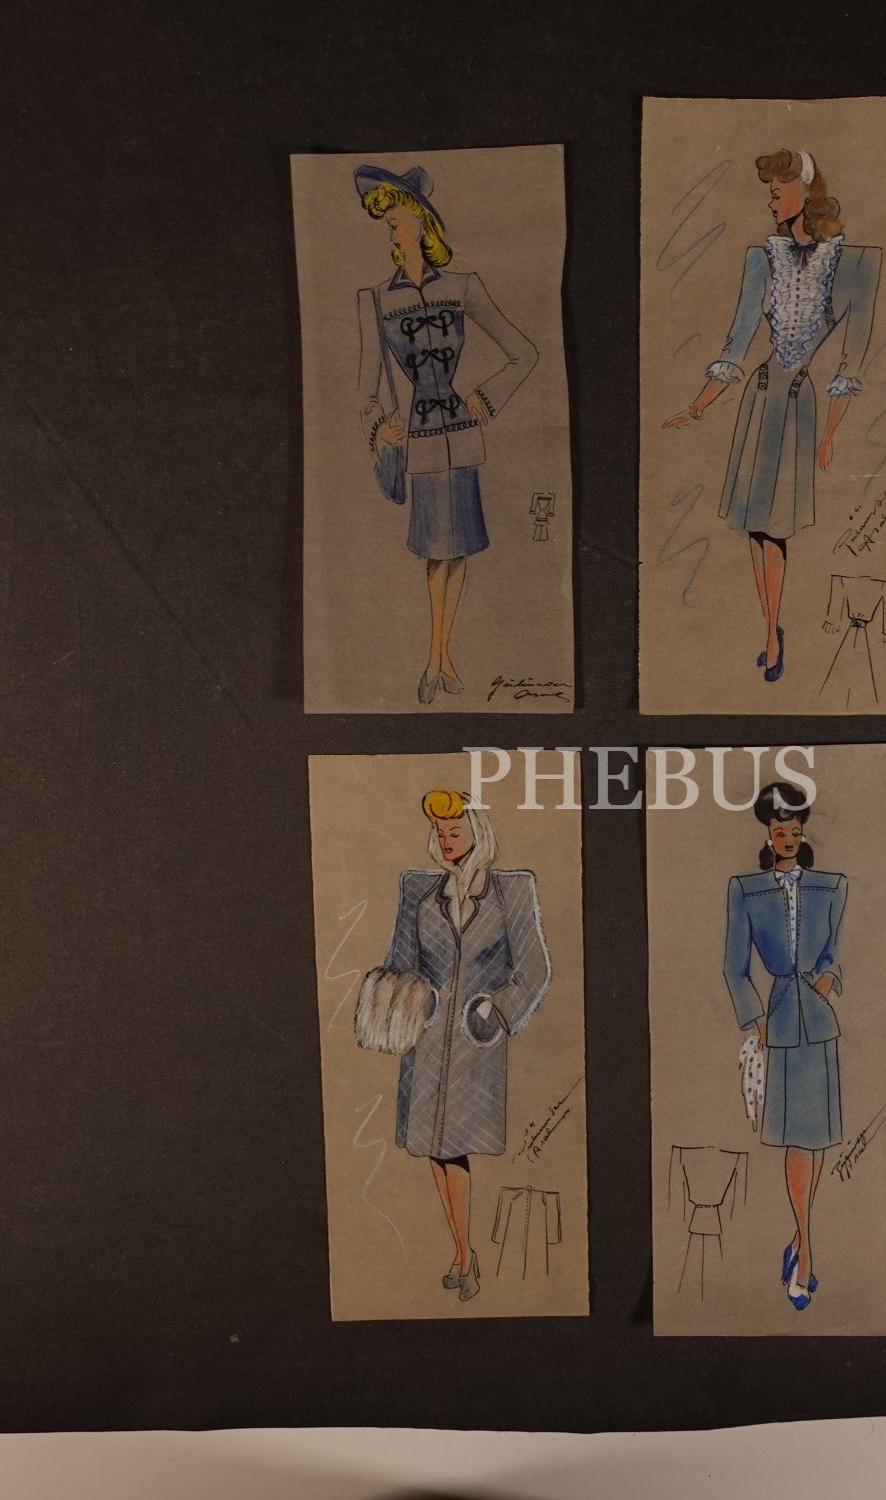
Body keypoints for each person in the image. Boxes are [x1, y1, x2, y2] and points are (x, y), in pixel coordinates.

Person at [664, 150, 881, 683]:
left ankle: (771, 633)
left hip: (797, 407)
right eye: (769, 193)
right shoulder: (762, 259)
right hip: (759, 401)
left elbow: (851, 361)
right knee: (755, 530)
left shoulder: (854, 264)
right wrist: (697, 406)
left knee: (776, 529)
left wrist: (829, 434)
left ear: (805, 194)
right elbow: (737, 343)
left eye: (777, 191)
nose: (770, 201)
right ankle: (770, 627)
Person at [355, 164, 539, 703]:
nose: (390, 229)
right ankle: (437, 659)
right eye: (387, 221)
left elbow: (524, 353)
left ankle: (442, 658)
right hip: (421, 443)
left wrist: (484, 399)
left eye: (396, 218)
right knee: (437, 554)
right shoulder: (375, 299)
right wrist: (381, 427)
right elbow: (366, 390)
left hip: (464, 438)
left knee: (459, 553)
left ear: (421, 220)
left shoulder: (463, 287)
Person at [382, 789, 551, 1301]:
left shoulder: (510, 890)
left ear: (479, 832)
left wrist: (494, 1010)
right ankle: (463, 1251)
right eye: (440, 832)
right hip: (427, 1042)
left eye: (455, 831)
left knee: (453, 1147)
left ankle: (464, 1253)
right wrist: (410, 1001)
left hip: (475, 1045)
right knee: (437, 1149)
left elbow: (534, 970)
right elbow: (400, 964)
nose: (446, 840)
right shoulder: (419, 892)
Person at [722, 782, 849, 1310]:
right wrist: (754, 1020)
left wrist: (829, 974)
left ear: (803, 832)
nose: (788, 838)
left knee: (814, 1141)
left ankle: (799, 1241)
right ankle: (807, 1254)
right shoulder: (745, 889)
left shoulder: (832, 886)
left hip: (819, 1023)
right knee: (798, 1141)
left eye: (795, 830)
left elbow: (835, 948)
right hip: (778, 1024)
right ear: (768, 835)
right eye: (779, 831)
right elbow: (734, 968)